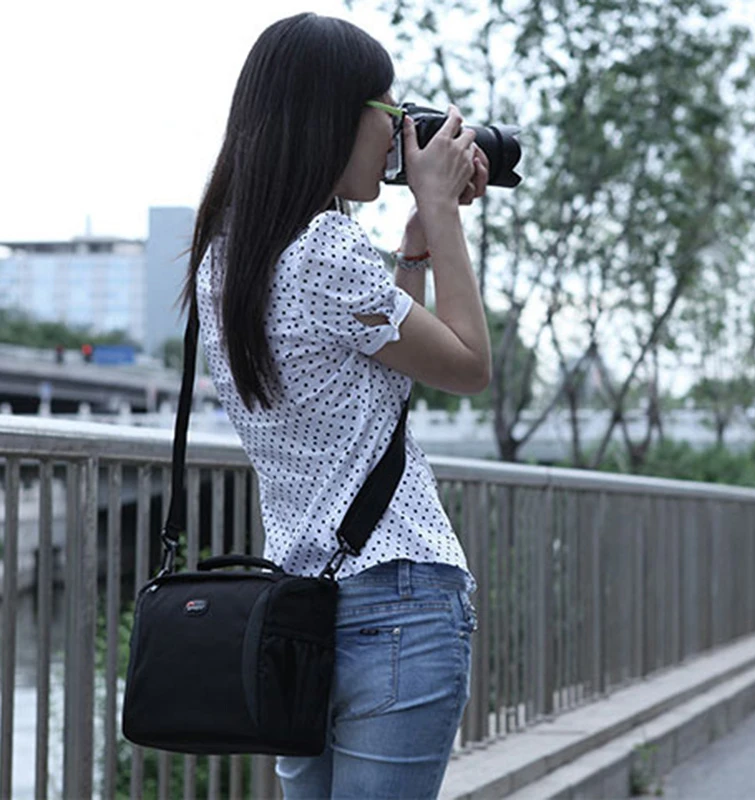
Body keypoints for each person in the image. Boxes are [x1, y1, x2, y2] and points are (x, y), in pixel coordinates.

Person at [183, 12, 491, 799]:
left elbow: (380, 378)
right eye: (389, 116)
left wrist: (416, 247)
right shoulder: (328, 247)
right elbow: (468, 365)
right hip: (398, 597)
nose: (397, 140)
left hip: (301, 607)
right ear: (330, 115)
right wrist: (446, 215)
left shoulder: (226, 252)